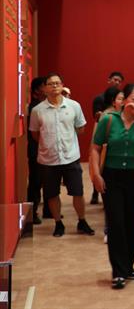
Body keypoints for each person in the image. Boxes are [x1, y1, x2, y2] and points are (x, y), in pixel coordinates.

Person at [89, 84, 134, 289]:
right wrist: (96, 174)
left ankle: (128, 266)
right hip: (112, 175)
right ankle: (118, 272)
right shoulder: (108, 120)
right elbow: (95, 147)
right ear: (124, 99)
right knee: (116, 222)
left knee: (131, 223)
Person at [29, 72, 94, 237]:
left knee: (78, 192)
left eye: (57, 83)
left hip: (70, 156)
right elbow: (35, 134)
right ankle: (58, 223)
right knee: (52, 194)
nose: (55, 86)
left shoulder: (74, 106)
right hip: (48, 159)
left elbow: (81, 128)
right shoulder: (37, 110)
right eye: (51, 84)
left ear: (62, 85)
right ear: (44, 88)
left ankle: (82, 221)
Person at [90, 86, 125, 206]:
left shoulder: (125, 116)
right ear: (113, 101)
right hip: (108, 160)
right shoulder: (107, 117)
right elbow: (96, 144)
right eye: (120, 99)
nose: (123, 102)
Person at [27, 76, 47, 224]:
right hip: (36, 150)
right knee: (35, 182)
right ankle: (31, 213)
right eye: (44, 86)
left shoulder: (43, 105)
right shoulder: (35, 108)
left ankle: (48, 210)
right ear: (36, 90)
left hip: (44, 149)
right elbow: (34, 133)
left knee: (47, 181)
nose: (47, 88)